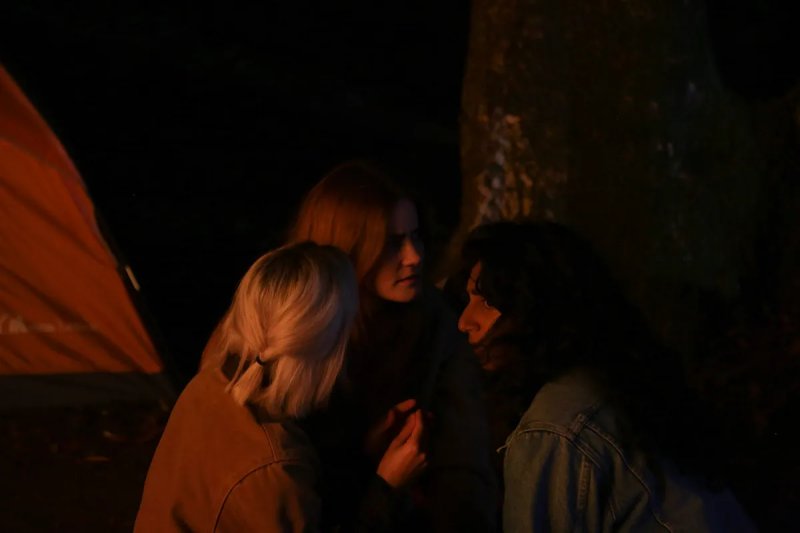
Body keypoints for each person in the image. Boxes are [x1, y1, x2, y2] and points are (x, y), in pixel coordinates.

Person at [451, 221, 756, 532]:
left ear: (535, 305)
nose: (465, 321)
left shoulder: (553, 427)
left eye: (487, 301)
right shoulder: (619, 385)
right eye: (469, 299)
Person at [135, 242, 427, 532]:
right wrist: (387, 488)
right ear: (324, 347)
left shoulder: (213, 382)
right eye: (346, 328)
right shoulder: (273, 469)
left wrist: (364, 454)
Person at [286, 161, 496, 531]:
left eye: (415, 237)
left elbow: (464, 466)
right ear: (346, 249)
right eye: (392, 243)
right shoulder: (293, 341)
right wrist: (371, 465)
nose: (414, 257)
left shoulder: (434, 326)